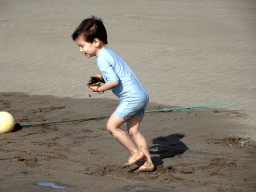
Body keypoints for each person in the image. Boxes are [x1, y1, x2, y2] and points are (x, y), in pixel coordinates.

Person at [71, 16, 154, 172]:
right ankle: (148, 163)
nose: (81, 50)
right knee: (133, 131)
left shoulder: (101, 59)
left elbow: (114, 82)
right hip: (142, 95)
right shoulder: (109, 53)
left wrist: (98, 89)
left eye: (82, 46)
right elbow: (118, 75)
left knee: (112, 126)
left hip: (132, 98)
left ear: (95, 41)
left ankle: (135, 153)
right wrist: (102, 78)